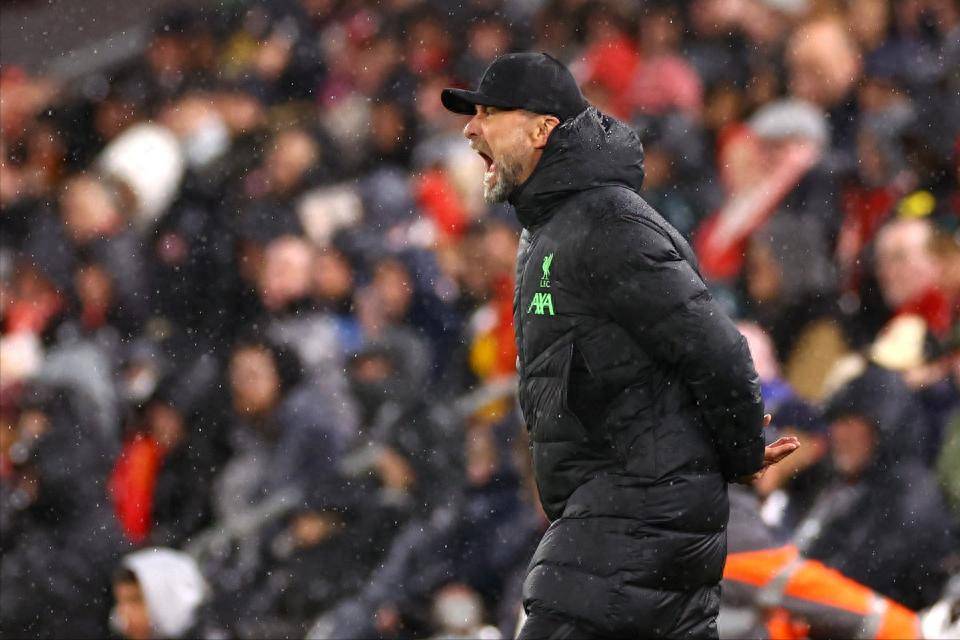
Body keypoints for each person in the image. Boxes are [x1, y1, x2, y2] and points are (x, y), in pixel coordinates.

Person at [441, 52, 799, 639]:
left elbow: (717, 349)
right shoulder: (549, 230)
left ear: (542, 129)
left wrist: (739, 451)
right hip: (625, 517)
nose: (470, 129)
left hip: (636, 518)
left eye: (488, 114)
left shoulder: (607, 223)